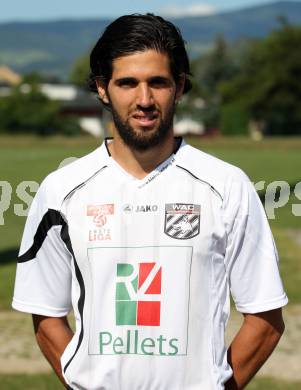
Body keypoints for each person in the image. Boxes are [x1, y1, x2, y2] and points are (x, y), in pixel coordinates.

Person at [12, 14, 288, 390]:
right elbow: (45, 315)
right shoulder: (61, 190)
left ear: (179, 87)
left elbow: (265, 317)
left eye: (157, 82)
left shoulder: (227, 186)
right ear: (102, 88)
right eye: (127, 83)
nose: (144, 100)